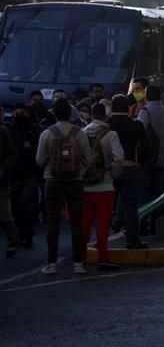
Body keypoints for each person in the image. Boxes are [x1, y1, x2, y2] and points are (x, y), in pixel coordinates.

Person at [35, 98, 91, 275]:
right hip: (75, 182)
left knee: (53, 223)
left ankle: (51, 264)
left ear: (54, 114)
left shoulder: (47, 134)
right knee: (76, 223)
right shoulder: (80, 133)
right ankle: (78, 263)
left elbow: (39, 160)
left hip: (53, 180)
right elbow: (87, 159)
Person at [81, 103, 123, 270]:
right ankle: (103, 258)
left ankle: (80, 259)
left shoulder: (82, 133)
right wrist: (112, 174)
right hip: (105, 186)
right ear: (106, 117)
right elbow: (118, 158)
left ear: (91, 115)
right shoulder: (111, 134)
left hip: (84, 187)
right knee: (102, 224)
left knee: (83, 225)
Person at [108, 94, 150, 250]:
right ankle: (132, 240)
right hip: (130, 166)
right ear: (128, 108)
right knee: (130, 206)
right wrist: (141, 163)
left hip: (110, 170)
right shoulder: (136, 125)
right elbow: (146, 147)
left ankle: (101, 238)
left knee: (106, 206)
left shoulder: (106, 125)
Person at [138, 85, 164, 235]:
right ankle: (154, 224)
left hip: (147, 160)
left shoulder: (145, 112)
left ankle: (141, 224)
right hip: (163, 159)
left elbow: (140, 131)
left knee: (144, 193)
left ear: (146, 96)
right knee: (157, 194)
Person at [9, 105, 41, 248]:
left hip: (30, 173)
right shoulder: (10, 130)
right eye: (17, 113)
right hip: (14, 174)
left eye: (22, 113)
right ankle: (21, 233)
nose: (19, 116)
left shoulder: (34, 130)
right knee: (16, 205)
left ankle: (27, 233)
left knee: (26, 204)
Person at [0, 122, 18, 258]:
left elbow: (11, 154)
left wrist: (3, 170)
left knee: (5, 214)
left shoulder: (3, 132)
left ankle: (12, 241)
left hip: (1, 181)